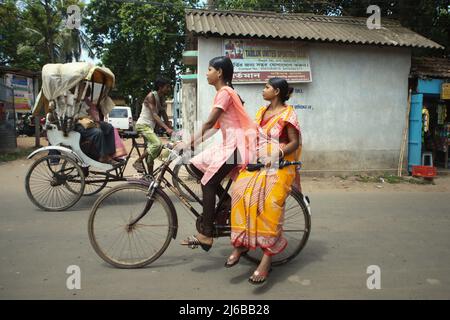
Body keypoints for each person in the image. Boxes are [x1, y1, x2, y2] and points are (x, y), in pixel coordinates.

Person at [226, 77, 302, 285]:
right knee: (240, 193)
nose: (263, 90)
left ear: (276, 91)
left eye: (267, 87)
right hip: (258, 162)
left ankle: (267, 258)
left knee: (268, 201)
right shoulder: (261, 112)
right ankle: (242, 244)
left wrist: (276, 154)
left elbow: (295, 142)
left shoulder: (289, 114)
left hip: (280, 164)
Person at [177, 56, 257, 251]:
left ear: (219, 73)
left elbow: (209, 123)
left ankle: (206, 234)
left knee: (208, 182)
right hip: (229, 145)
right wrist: (194, 143)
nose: (206, 73)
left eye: (210, 69)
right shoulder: (226, 93)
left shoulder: (225, 93)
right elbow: (215, 127)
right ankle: (226, 201)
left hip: (237, 147)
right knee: (195, 165)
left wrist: (188, 142)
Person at [133, 77, 173, 174]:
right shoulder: (151, 96)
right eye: (167, 87)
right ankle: (137, 161)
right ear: (160, 87)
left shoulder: (162, 98)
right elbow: (154, 115)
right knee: (157, 144)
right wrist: (166, 128)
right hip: (143, 125)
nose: (169, 89)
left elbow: (164, 114)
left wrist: (171, 129)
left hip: (150, 127)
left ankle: (150, 177)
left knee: (151, 155)